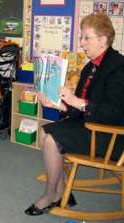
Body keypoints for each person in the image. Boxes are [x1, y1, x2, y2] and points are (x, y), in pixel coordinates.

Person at [24, 13, 124, 216]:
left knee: (52, 140)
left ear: (103, 40)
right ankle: (61, 193)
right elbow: (78, 108)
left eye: (87, 38)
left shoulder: (118, 66)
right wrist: (59, 105)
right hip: (88, 125)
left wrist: (75, 101)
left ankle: (50, 194)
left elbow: (113, 112)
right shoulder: (90, 67)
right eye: (81, 37)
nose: (82, 43)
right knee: (44, 132)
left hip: (110, 135)